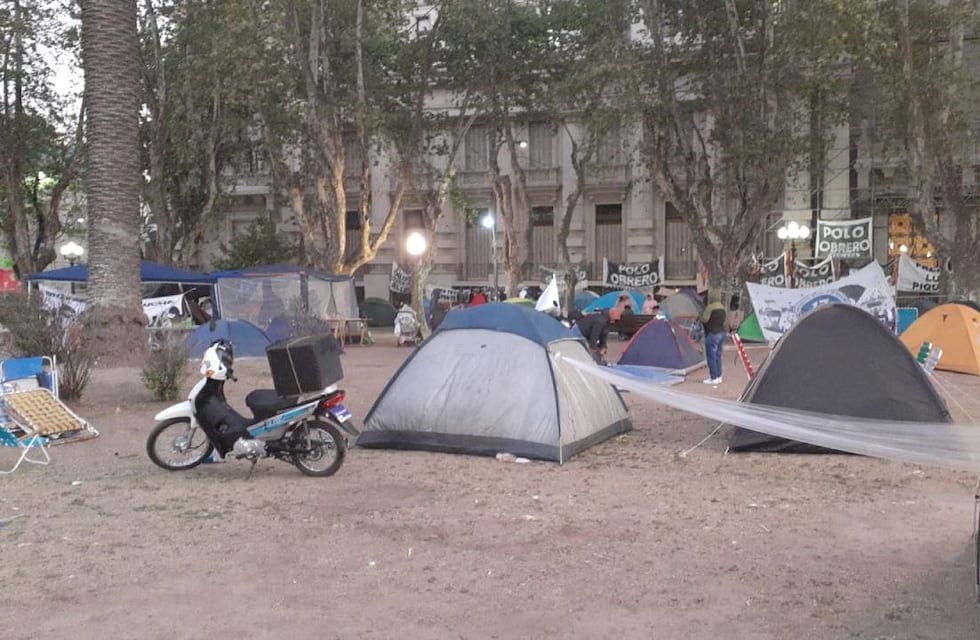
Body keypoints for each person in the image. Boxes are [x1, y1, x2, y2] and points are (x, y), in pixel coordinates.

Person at [701, 288, 727, 385]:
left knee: (711, 356)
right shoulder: (722, 307)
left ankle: (713, 378)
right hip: (722, 333)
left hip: (713, 333)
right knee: (718, 356)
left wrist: (700, 317)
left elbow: (704, 319)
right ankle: (719, 376)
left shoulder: (710, 307)